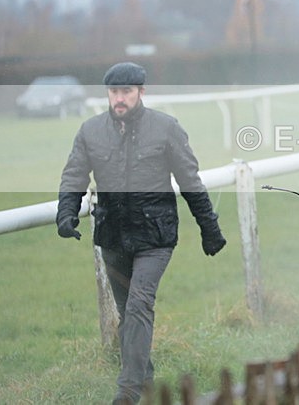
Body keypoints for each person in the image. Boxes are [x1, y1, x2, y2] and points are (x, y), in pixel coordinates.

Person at [55, 62, 227, 405]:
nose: (120, 99)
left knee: (138, 306)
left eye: (127, 92)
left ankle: (128, 392)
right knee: (128, 315)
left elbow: (190, 181)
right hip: (113, 238)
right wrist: (66, 214)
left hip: (156, 237)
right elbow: (74, 176)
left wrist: (209, 228)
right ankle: (144, 381)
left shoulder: (166, 128)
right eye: (114, 93)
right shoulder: (90, 131)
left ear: (141, 92)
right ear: (107, 94)